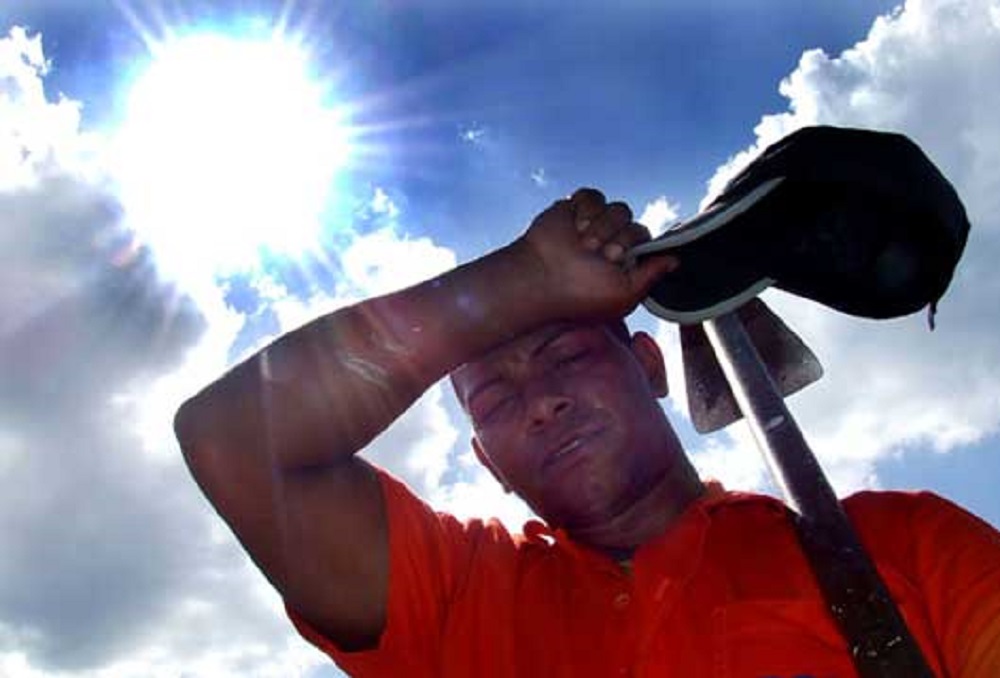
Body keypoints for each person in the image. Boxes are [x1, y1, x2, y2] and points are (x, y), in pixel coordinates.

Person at [174, 189, 1000, 677]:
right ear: (485, 462)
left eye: (564, 353)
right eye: (492, 399)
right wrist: (524, 280)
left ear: (648, 365)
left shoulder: (901, 543)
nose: (538, 403)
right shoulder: (459, 601)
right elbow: (231, 438)